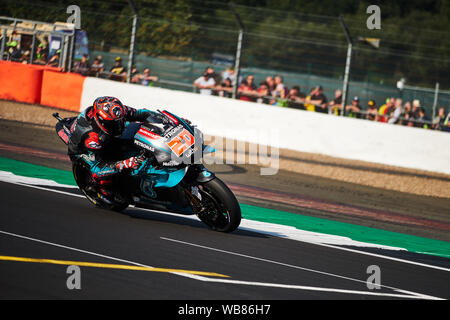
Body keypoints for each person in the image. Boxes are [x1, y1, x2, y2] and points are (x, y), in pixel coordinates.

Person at [67, 96, 165, 202]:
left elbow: (140, 113)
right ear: (102, 122)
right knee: (110, 173)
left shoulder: (116, 111)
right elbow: (97, 168)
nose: (119, 125)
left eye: (120, 121)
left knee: (139, 129)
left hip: (107, 138)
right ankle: (106, 190)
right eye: (114, 124)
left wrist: (162, 119)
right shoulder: (92, 138)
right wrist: (124, 164)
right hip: (85, 153)